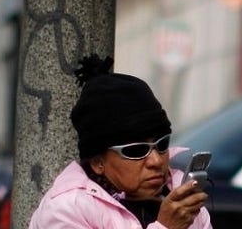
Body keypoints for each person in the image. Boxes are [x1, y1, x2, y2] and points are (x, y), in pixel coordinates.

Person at [29, 56, 212, 229]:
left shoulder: (180, 198)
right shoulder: (67, 209)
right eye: (136, 150)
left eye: (162, 144)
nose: (156, 161)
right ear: (98, 163)